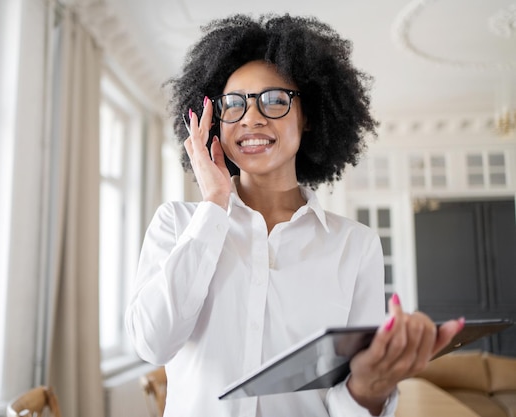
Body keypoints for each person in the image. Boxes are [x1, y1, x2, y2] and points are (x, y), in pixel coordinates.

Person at [125, 13, 464, 417]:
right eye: (233, 104)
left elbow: (345, 404)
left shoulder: (355, 246)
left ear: (308, 116)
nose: (251, 117)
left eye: (274, 99)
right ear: (214, 121)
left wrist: (370, 388)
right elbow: (152, 344)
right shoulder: (176, 225)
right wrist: (214, 203)